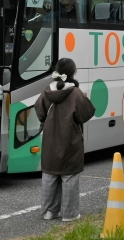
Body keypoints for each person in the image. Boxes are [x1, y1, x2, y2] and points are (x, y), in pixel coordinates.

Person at [34, 58, 96, 222]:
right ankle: (69, 214)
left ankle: (49, 212)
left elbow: (39, 112)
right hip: (70, 139)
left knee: (49, 174)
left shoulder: (48, 91)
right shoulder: (75, 93)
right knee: (69, 176)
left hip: (50, 139)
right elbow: (86, 114)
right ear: (72, 72)